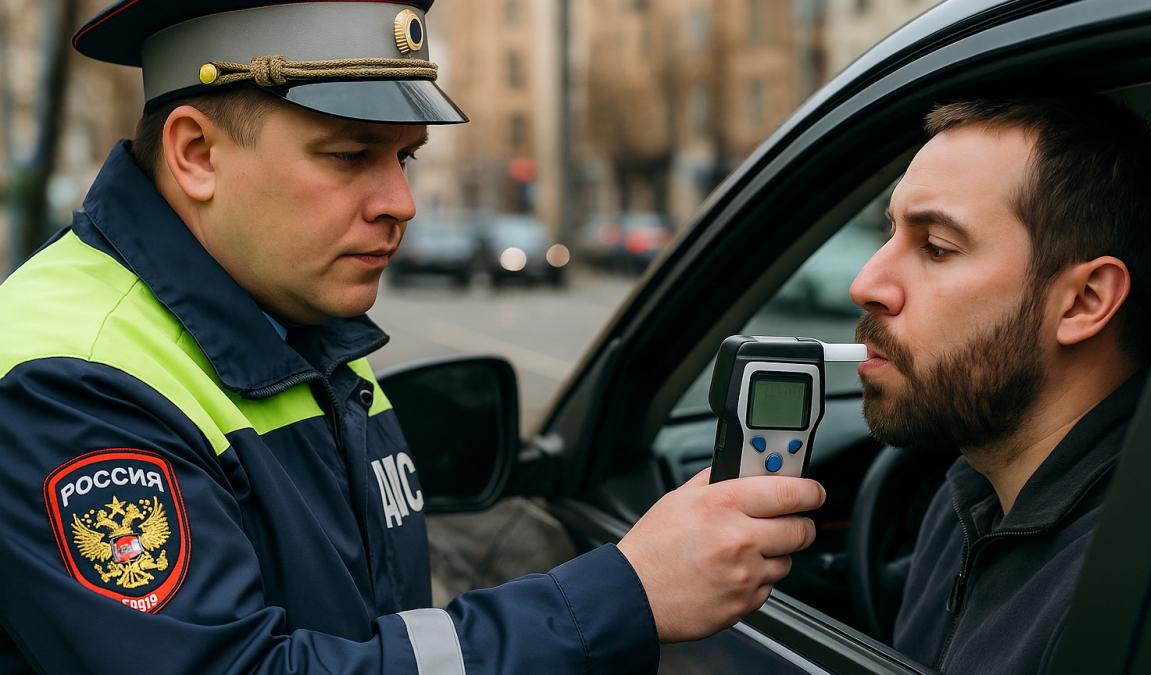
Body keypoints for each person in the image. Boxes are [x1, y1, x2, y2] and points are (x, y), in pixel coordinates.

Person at [0, 2, 826, 672]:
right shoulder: (67, 378)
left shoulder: (298, 324)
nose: (401, 201)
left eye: (408, 158)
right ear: (195, 154)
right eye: (352, 154)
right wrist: (621, 595)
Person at [848, 96, 1151, 674]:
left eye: (936, 246)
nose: (867, 283)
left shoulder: (1134, 597)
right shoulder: (971, 489)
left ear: (1084, 302)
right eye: (891, 232)